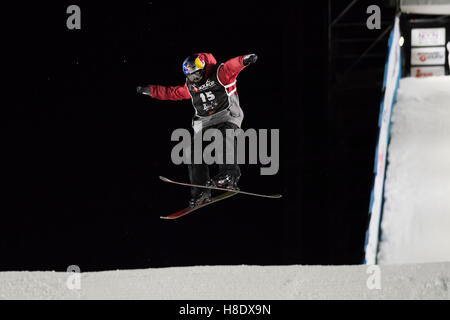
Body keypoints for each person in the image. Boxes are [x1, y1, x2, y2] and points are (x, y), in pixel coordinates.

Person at [137, 52, 258, 207]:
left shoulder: (220, 75)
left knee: (222, 136)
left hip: (227, 117)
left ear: (204, 69)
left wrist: (244, 60)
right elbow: (172, 93)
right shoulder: (190, 86)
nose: (195, 80)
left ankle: (229, 174)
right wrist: (152, 90)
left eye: (197, 75)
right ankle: (201, 191)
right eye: (191, 77)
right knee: (192, 150)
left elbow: (231, 66)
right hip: (205, 123)